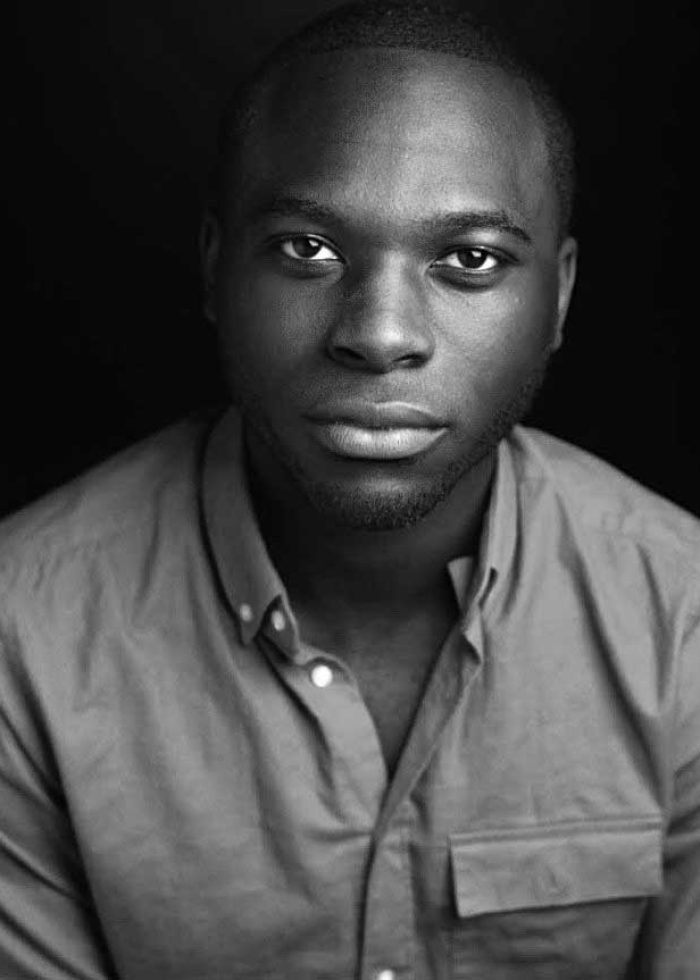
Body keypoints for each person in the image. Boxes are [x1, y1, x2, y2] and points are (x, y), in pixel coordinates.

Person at [0, 1, 698, 977]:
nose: (377, 334)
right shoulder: (19, 635)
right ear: (214, 268)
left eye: (469, 259)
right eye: (308, 249)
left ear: (560, 296)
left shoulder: (683, 614)